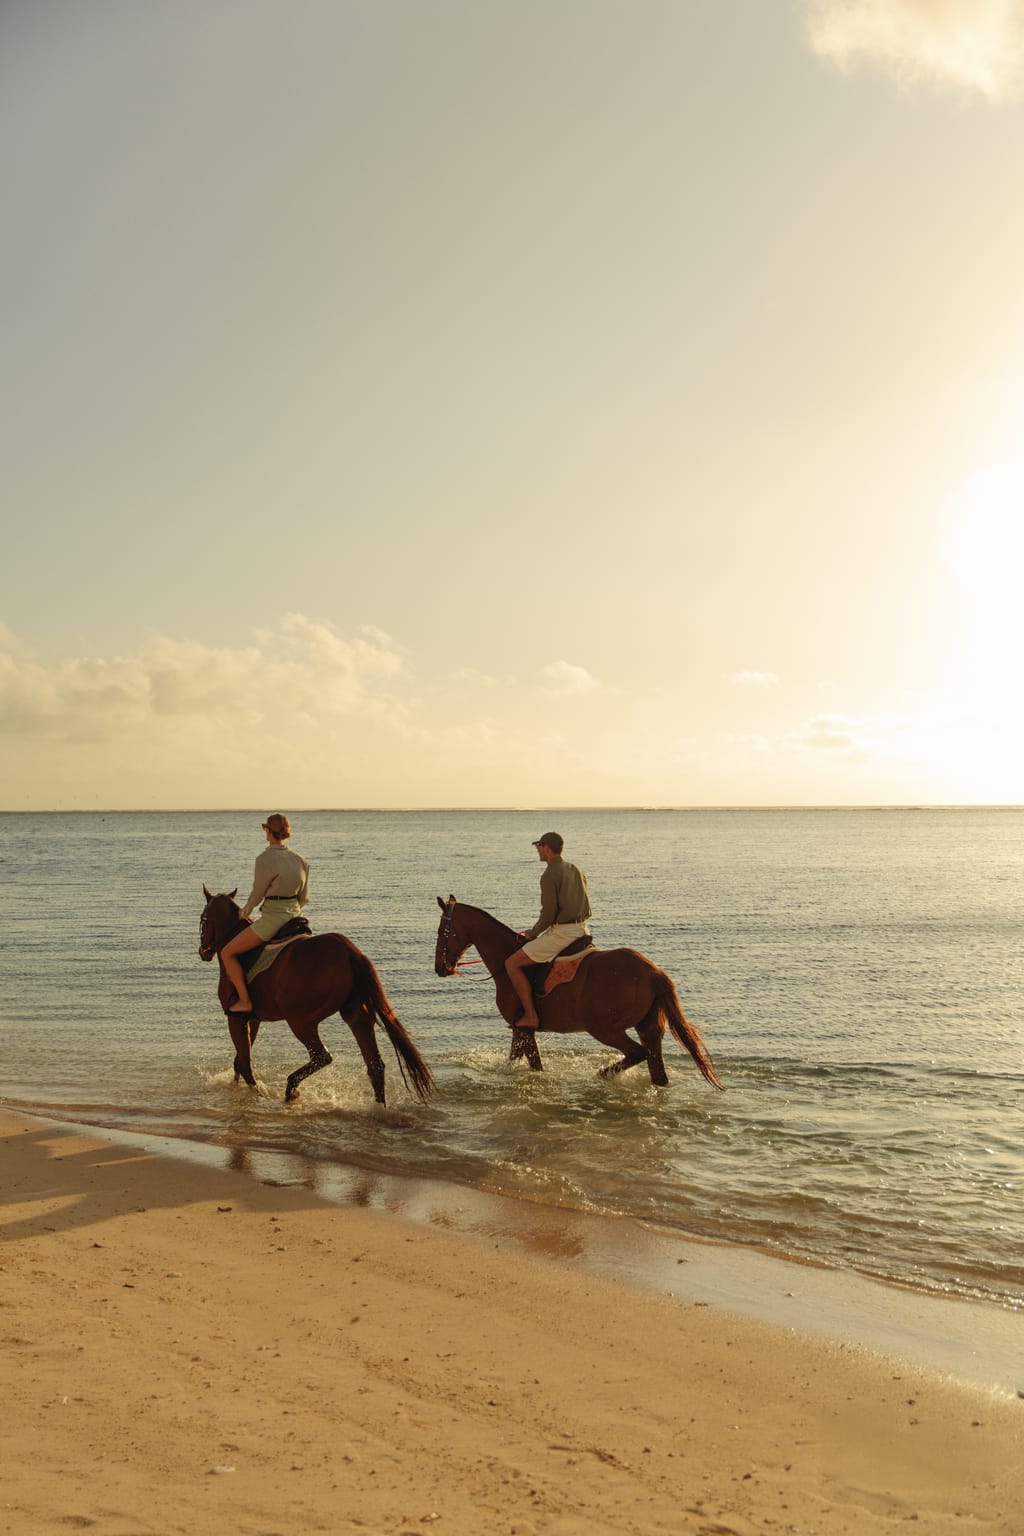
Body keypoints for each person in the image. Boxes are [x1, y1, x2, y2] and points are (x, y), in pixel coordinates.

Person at [221, 813, 310, 1014]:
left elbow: (258, 891)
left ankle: (245, 1001)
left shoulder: (264, 859)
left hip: (272, 920)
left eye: (266, 830)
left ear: (268, 831)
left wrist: (246, 911)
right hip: (296, 919)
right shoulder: (301, 861)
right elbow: (304, 898)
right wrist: (291, 912)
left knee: (227, 953)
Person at [504, 831, 591, 1029]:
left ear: (546, 848)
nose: (538, 852)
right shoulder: (575, 868)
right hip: (582, 929)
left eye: (539, 847)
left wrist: (532, 933)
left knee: (512, 964)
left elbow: (548, 913)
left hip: (563, 934)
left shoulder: (549, 874)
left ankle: (530, 1015)